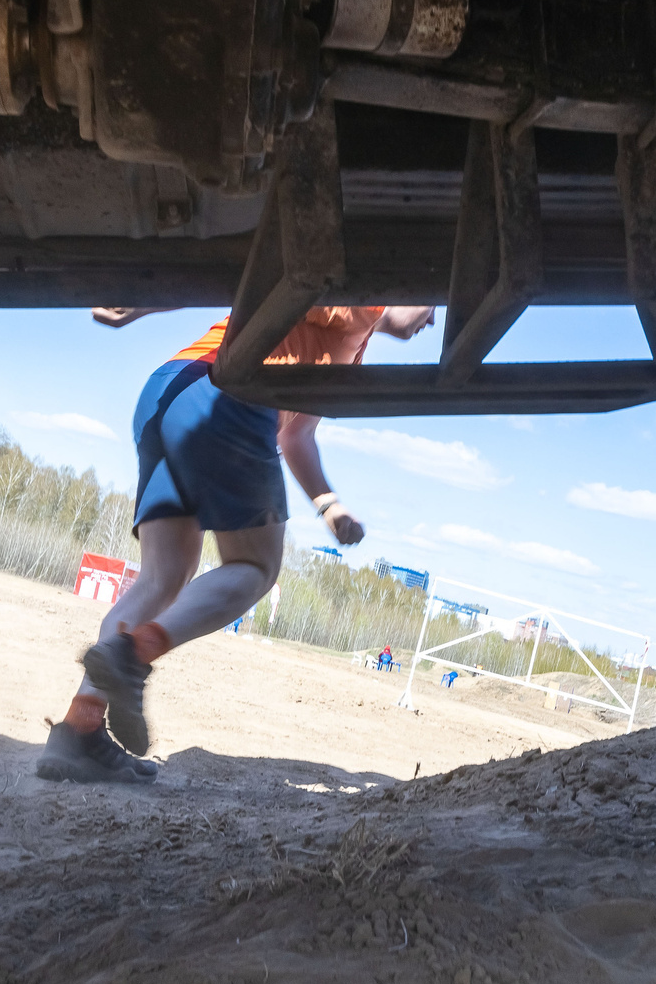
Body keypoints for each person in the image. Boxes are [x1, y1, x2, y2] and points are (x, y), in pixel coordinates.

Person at [38, 303, 434, 783]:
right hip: (229, 393)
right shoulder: (359, 297)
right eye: (434, 300)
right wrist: (145, 299)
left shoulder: (352, 340)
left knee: (163, 577)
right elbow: (254, 273)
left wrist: (328, 504)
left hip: (168, 389)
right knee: (255, 567)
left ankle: (79, 730)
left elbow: (297, 435)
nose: (433, 319)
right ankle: (133, 652)